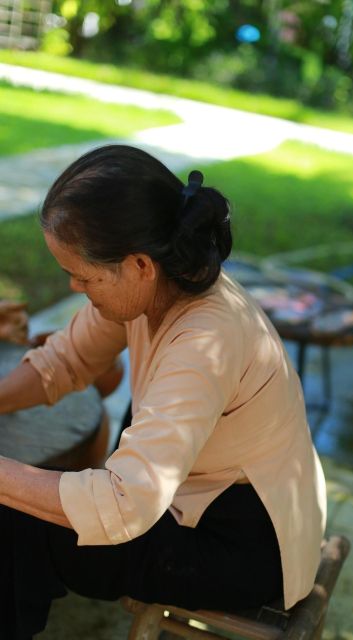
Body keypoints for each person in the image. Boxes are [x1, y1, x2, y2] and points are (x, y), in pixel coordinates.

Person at [0, 145, 326, 639]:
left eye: (83, 276)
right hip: (197, 495)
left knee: (22, 525)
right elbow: (64, 361)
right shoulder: (160, 285)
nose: (72, 286)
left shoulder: (204, 342)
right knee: (33, 497)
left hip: (242, 542)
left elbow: (125, 502)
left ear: (138, 265)